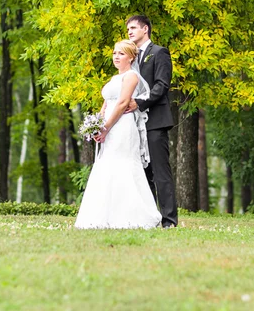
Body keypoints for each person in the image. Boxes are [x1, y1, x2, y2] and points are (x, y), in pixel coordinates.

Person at [75, 40, 162, 229]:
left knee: (122, 164)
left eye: (121, 53)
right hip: (108, 125)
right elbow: (106, 103)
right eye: (114, 53)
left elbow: (122, 104)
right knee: (107, 165)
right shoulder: (114, 79)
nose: (116, 56)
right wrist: (96, 125)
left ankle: (135, 215)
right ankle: (103, 215)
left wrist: (106, 127)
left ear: (131, 57)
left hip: (122, 126)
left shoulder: (131, 76)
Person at [126, 15, 178, 228]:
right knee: (142, 173)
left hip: (155, 121)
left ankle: (169, 221)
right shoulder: (131, 58)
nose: (129, 32)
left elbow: (161, 85)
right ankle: (149, 219)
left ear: (145, 29)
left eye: (133, 28)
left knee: (160, 172)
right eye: (127, 29)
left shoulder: (159, 53)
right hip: (135, 124)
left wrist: (138, 103)